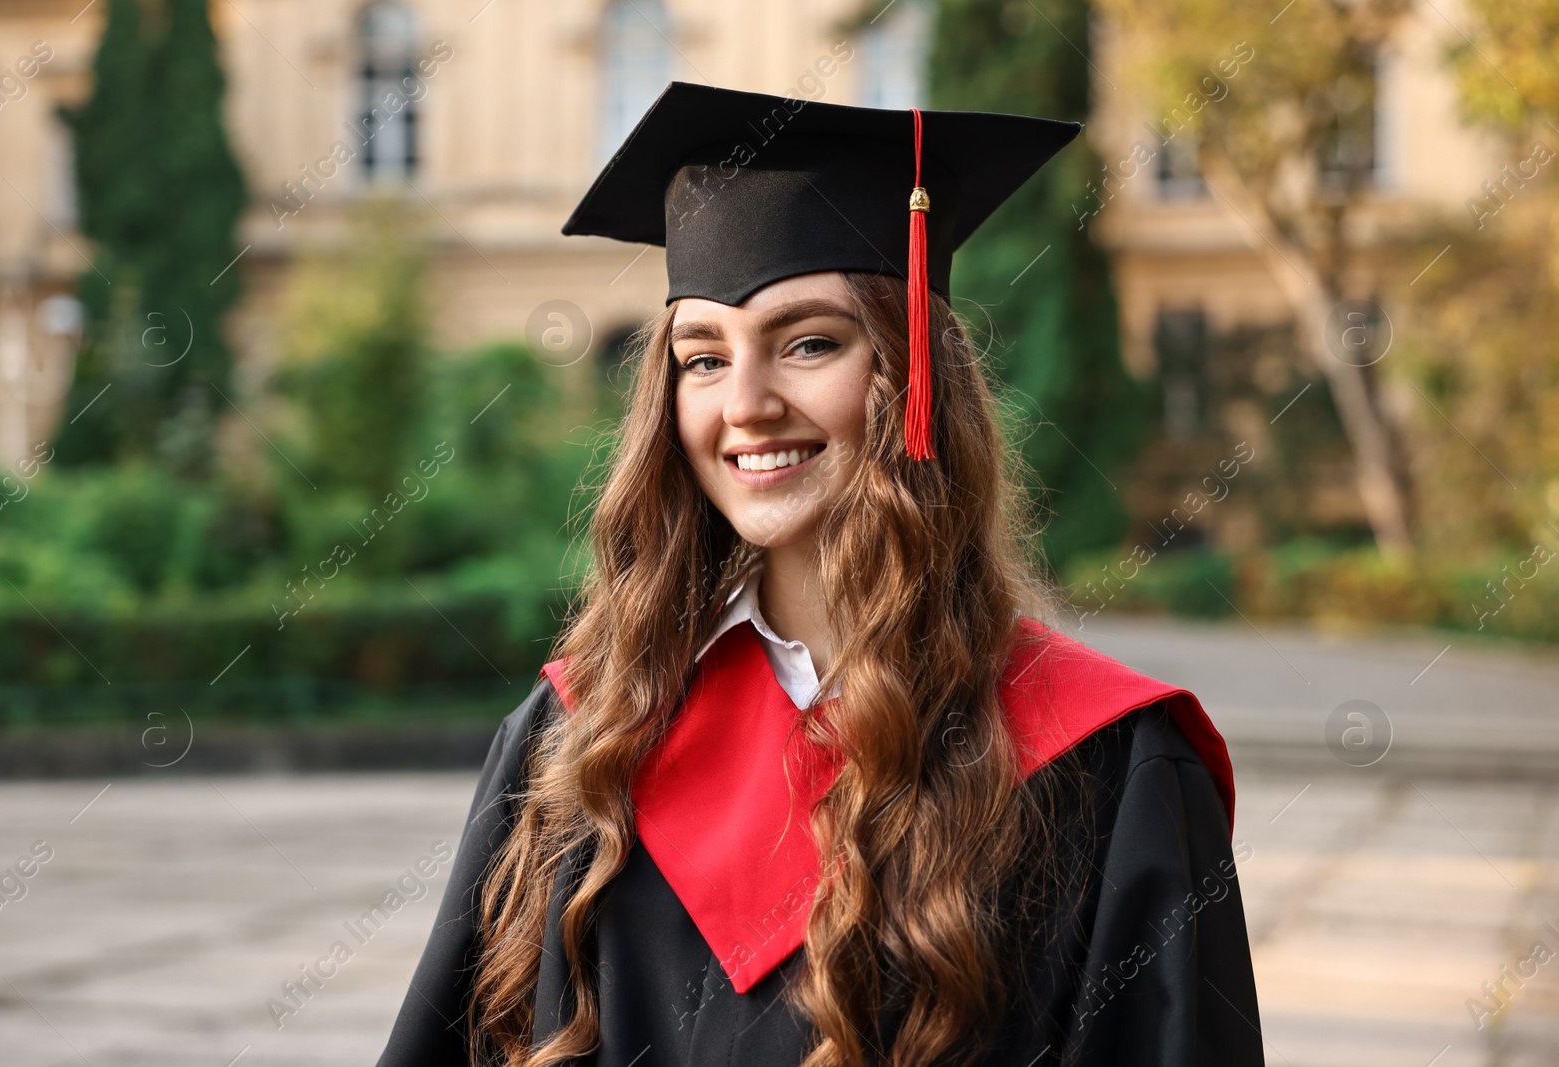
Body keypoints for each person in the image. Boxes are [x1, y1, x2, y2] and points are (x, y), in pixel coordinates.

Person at [378, 82, 1263, 1067]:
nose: (746, 403)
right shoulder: (582, 732)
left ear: (913, 369)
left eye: (808, 342)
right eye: (701, 356)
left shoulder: (1102, 761)